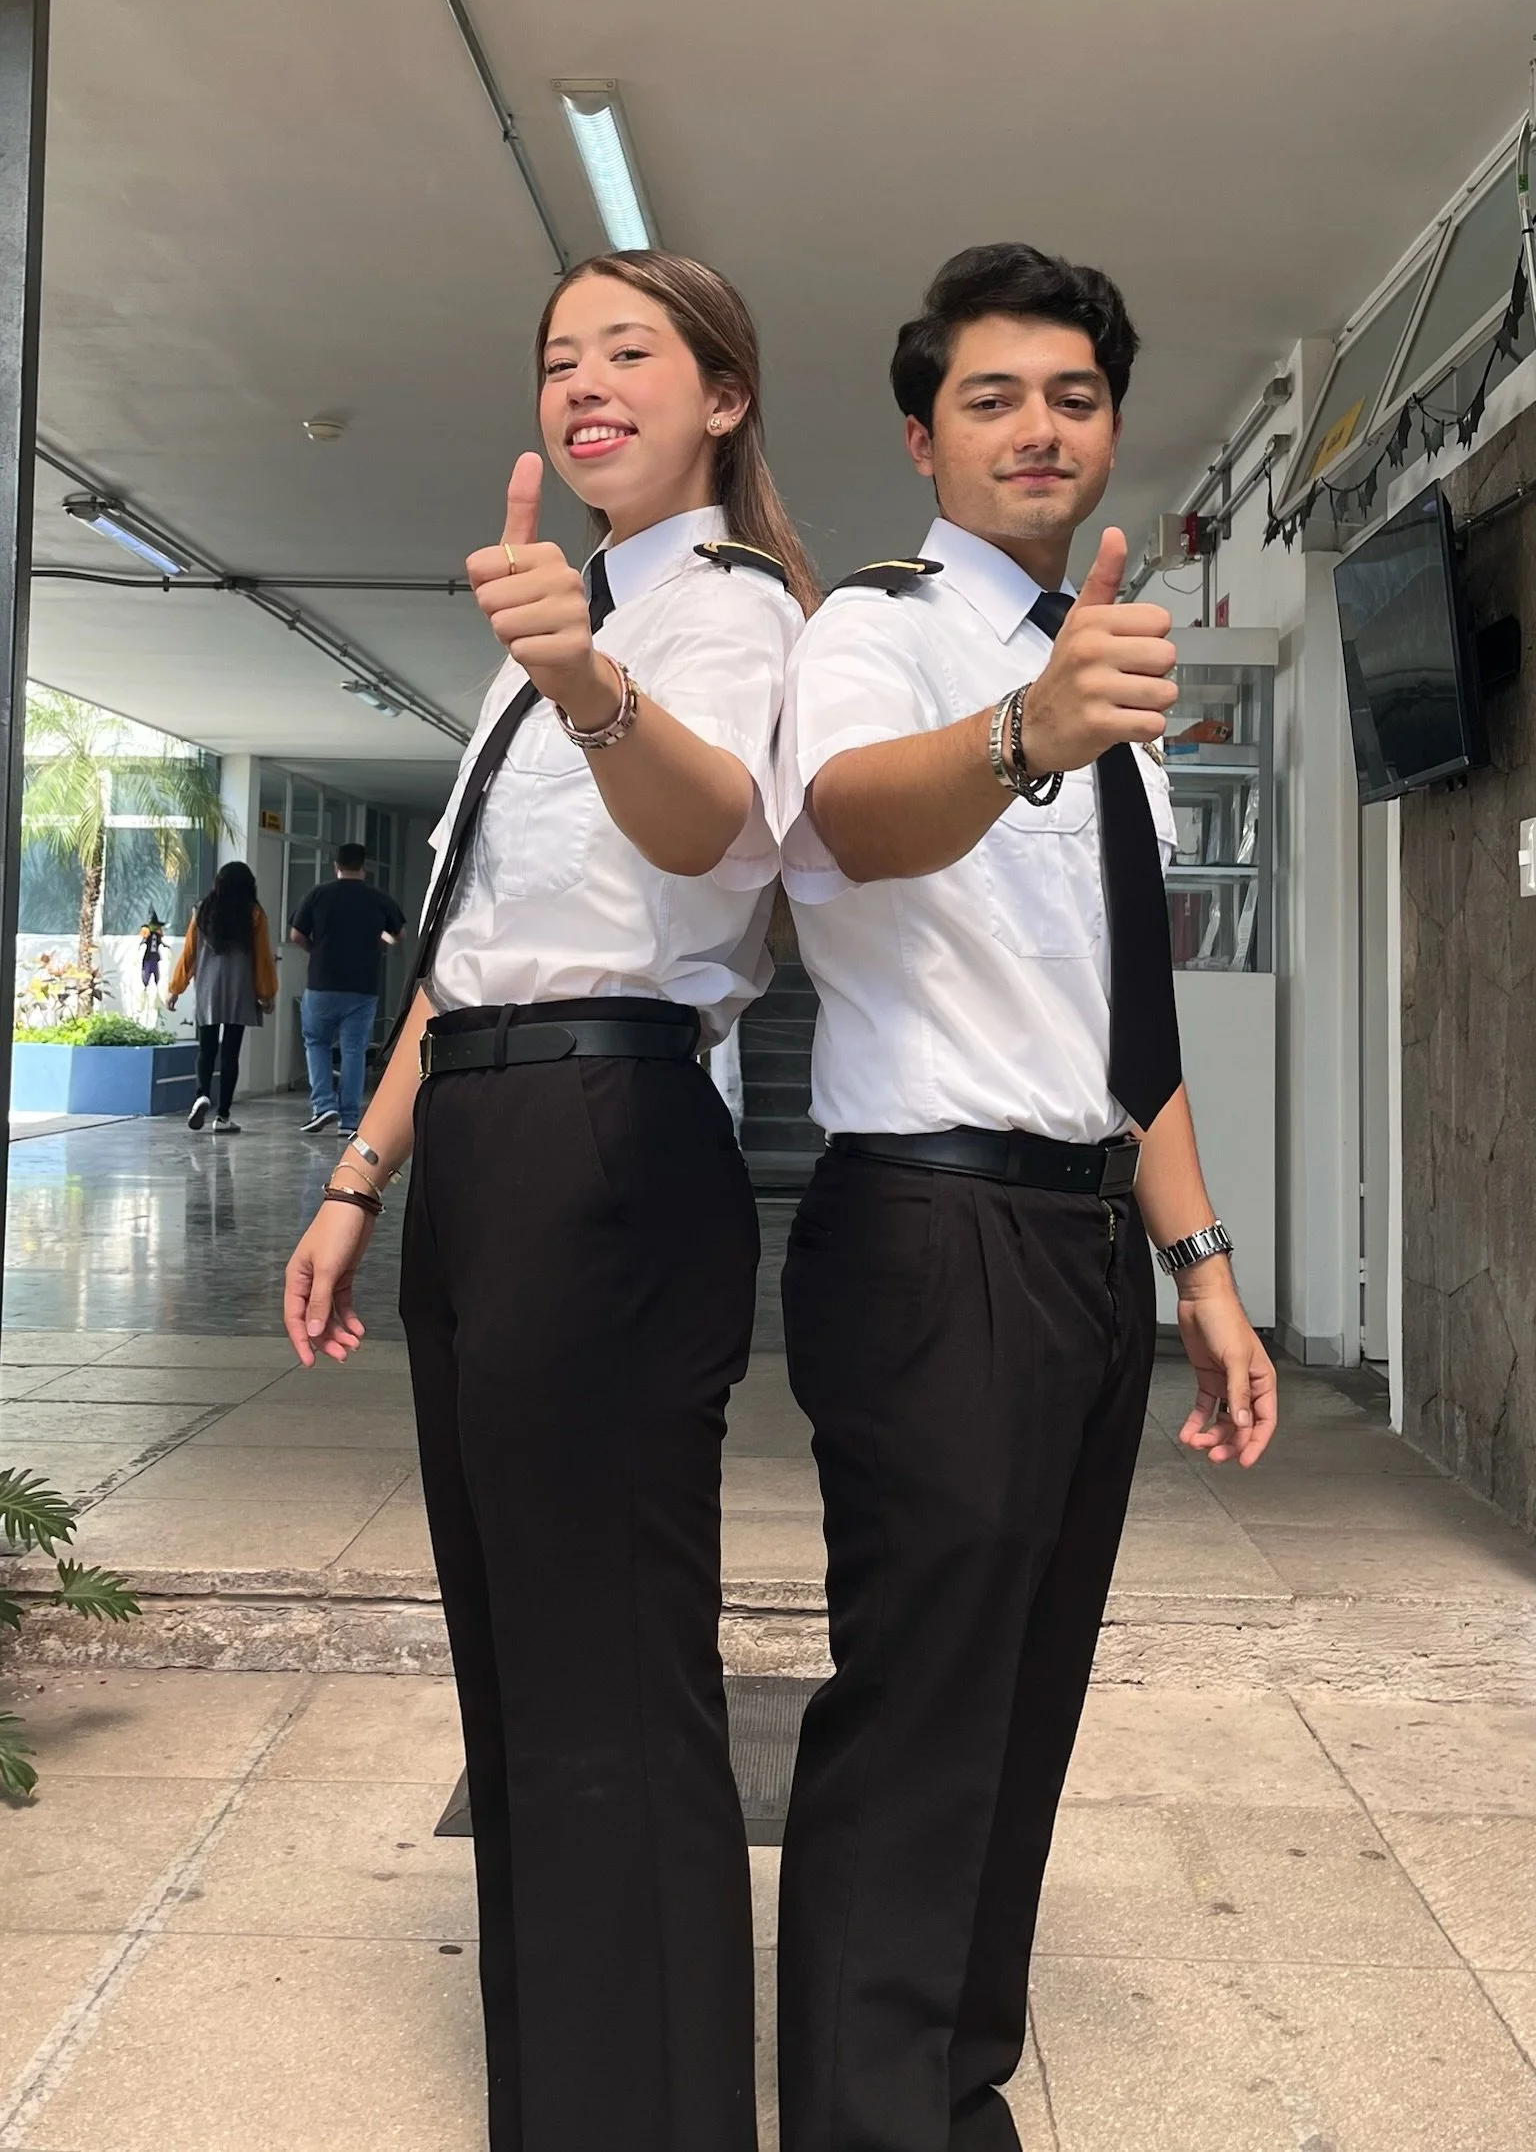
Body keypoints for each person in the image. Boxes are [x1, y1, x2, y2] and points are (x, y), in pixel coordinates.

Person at [282, 251, 817, 2152]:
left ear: (723, 397)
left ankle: (650, 2113)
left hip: (608, 1136)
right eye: (556, 360)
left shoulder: (732, 613)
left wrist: (585, 676)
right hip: (494, 1145)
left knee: (609, 1664)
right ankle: (570, 2104)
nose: (583, 384)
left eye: (630, 353)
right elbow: (462, 957)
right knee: (516, 1663)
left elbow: (712, 838)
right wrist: (360, 1175)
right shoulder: (567, 624)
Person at [774, 242, 1278, 2152]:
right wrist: (1024, 734)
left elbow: (1115, 1026)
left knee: (1023, 1704)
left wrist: (1205, 1274)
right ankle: (865, 2120)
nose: (1036, 426)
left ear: (1111, 429)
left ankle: (952, 2092)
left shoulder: (1096, 671)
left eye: (1070, 395)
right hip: (929, 1233)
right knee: (920, 1714)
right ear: (925, 437)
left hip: (1079, 1242)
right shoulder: (882, 637)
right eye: (991, 397)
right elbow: (846, 819)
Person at [288, 842, 405, 1139]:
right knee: (354, 1049)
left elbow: (296, 935)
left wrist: (316, 950)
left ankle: (324, 1104)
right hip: (363, 986)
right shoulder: (378, 898)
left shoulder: (318, 894)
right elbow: (398, 934)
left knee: (316, 1042)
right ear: (364, 867)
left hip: (322, 982)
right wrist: (379, 944)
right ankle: (349, 1120)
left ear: (336, 865)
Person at [167, 859, 277, 1133]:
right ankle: (223, 1116)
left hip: (208, 989)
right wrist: (266, 992)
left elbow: (189, 953)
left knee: (206, 1048)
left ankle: (202, 1093)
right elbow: (262, 956)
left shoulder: (203, 910)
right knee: (230, 1053)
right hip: (239, 989)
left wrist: (175, 989)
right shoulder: (254, 914)